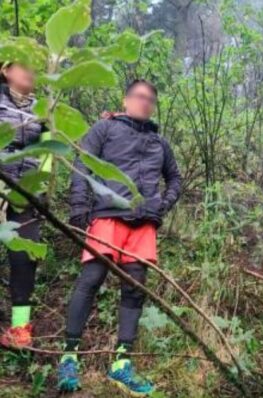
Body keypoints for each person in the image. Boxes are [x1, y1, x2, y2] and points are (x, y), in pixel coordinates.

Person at [57, 79, 181, 396]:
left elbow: (175, 178)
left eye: (151, 99)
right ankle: (69, 356)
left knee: (135, 290)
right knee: (91, 279)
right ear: (126, 100)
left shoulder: (159, 143)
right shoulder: (105, 129)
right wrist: (79, 207)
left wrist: (162, 204)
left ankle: (122, 364)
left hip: (144, 224)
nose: (145, 102)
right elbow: (82, 164)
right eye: (140, 96)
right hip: (107, 215)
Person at [0, 63, 47, 348]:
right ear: (5, 71)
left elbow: (48, 152)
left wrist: (41, 189)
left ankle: (20, 329)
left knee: (25, 257)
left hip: (26, 191)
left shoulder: (43, 110)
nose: (31, 71)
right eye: (23, 66)